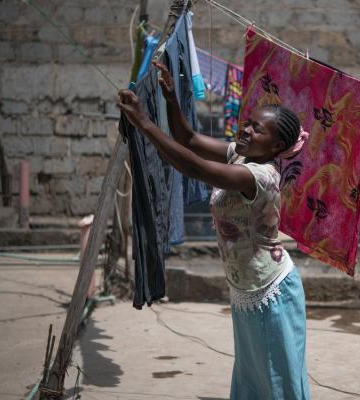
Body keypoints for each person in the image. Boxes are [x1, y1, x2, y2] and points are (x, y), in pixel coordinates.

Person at [117, 60, 311, 400]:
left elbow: (193, 165)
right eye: (249, 124)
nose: (247, 131)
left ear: (276, 148)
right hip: (246, 288)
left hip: (271, 292)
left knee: (276, 379)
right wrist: (171, 100)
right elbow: (189, 139)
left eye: (258, 130)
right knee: (253, 377)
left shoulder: (260, 176)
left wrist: (144, 122)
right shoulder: (241, 156)